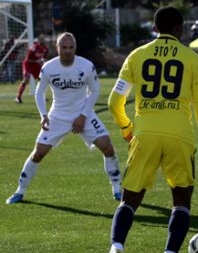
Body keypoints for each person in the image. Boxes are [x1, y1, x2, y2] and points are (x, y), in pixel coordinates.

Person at [106, 7, 198, 253]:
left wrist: (126, 128)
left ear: (154, 28)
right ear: (179, 29)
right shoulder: (193, 59)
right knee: (181, 202)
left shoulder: (136, 55)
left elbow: (114, 102)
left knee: (129, 200)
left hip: (144, 134)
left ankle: (117, 248)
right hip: (180, 136)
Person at [5, 32, 122, 204]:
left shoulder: (86, 66)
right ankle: (20, 191)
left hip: (84, 114)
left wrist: (83, 116)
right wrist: (43, 115)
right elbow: (39, 92)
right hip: (57, 116)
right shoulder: (48, 68)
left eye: (71, 47)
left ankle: (118, 189)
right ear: (57, 48)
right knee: (38, 154)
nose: (67, 51)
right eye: (64, 47)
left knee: (108, 147)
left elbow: (95, 90)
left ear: (75, 47)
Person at [15, 34, 48, 103]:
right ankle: (18, 97)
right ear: (38, 40)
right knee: (26, 80)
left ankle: (42, 97)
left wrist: (42, 64)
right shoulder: (34, 48)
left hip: (36, 65)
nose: (43, 40)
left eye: (44, 39)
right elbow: (28, 59)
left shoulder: (45, 49)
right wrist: (38, 61)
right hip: (28, 64)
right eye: (41, 39)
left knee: (41, 80)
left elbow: (43, 59)